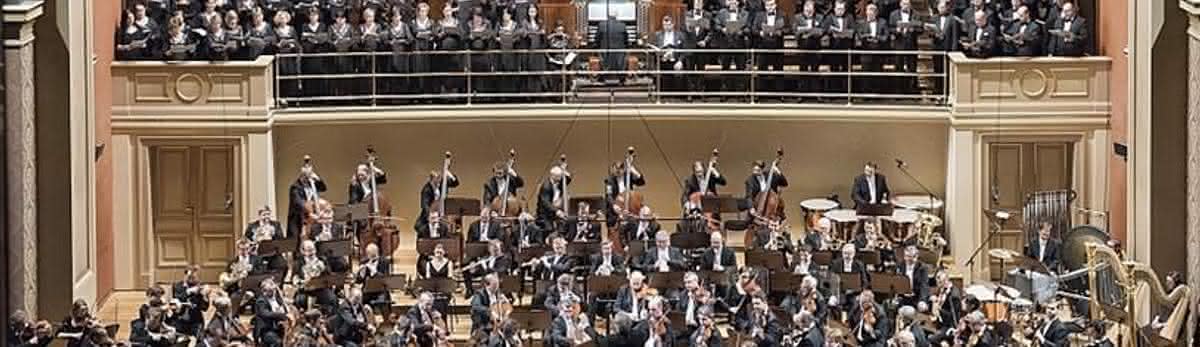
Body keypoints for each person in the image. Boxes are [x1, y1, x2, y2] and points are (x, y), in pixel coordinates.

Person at [714, 0, 749, 94]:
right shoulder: (722, 13)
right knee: (725, 69)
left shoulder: (745, 13)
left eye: (735, 1)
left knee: (741, 69)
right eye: (731, 1)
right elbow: (716, 25)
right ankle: (724, 92)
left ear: (738, 3)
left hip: (739, 44)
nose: (733, 3)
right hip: (726, 44)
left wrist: (742, 32)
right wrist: (722, 29)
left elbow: (748, 27)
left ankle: (741, 93)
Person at [854, 3, 889, 95]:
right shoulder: (861, 22)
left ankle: (877, 93)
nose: (871, 13)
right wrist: (866, 37)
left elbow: (886, 36)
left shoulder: (882, 22)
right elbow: (859, 35)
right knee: (865, 72)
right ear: (866, 12)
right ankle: (866, 93)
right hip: (866, 51)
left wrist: (877, 38)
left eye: (873, 11)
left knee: (877, 72)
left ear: (876, 13)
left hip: (878, 50)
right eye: (869, 11)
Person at [754, 0, 786, 95]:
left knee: (779, 71)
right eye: (768, 5)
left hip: (777, 47)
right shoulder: (759, 15)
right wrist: (759, 32)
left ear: (775, 5)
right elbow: (753, 28)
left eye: (772, 4)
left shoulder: (782, 15)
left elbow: (788, 28)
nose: (770, 7)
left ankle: (780, 94)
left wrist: (781, 32)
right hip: (763, 46)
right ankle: (760, 94)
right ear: (765, 6)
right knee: (761, 70)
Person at [287, 158, 326, 237]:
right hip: (298, 219)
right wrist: (310, 212)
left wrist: (317, 178)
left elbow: (323, 188)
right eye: (306, 178)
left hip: (311, 219)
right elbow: (298, 202)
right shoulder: (295, 187)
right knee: (297, 242)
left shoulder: (312, 184)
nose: (308, 180)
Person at [823, 1, 855, 94]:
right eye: (838, 9)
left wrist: (846, 33)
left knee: (846, 70)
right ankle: (834, 92)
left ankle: (846, 92)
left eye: (842, 9)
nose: (840, 11)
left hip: (846, 48)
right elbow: (824, 30)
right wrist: (831, 32)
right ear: (834, 9)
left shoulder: (849, 17)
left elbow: (853, 30)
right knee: (834, 69)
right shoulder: (829, 17)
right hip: (834, 47)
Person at [682, 0, 712, 97]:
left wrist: (705, 41)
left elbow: (711, 32)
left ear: (702, 4)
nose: (698, 4)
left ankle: (701, 92)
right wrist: (688, 26)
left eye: (700, 2)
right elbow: (683, 29)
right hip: (690, 46)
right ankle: (690, 93)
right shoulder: (687, 14)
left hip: (701, 47)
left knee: (701, 70)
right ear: (693, 4)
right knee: (689, 70)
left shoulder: (707, 15)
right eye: (696, 2)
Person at [171, 265, 210, 337]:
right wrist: (188, 291)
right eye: (190, 277)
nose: (192, 280)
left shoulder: (201, 288)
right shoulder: (177, 286)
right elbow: (177, 299)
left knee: (201, 339)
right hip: (180, 320)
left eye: (194, 278)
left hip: (195, 321)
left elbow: (205, 308)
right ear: (185, 276)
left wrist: (205, 297)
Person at [793, 0, 823, 94]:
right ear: (803, 9)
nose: (809, 12)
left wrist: (812, 32)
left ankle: (816, 94)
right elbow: (795, 31)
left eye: (810, 10)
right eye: (807, 10)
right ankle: (802, 94)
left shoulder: (819, 17)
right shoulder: (797, 17)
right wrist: (802, 31)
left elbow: (822, 31)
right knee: (803, 71)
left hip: (815, 48)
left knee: (815, 71)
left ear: (814, 10)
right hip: (802, 48)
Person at [929, 0, 960, 93]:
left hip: (947, 50)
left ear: (947, 8)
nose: (942, 9)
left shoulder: (952, 19)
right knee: (937, 71)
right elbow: (930, 34)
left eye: (943, 7)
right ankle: (937, 92)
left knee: (947, 72)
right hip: (937, 49)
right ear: (937, 8)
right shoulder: (934, 18)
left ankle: (947, 92)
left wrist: (953, 52)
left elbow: (955, 36)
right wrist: (933, 34)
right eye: (940, 7)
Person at [604, 160, 645, 227]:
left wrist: (634, 171)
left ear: (623, 170)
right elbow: (609, 195)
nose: (616, 173)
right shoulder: (609, 180)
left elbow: (641, 182)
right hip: (616, 209)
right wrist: (614, 204)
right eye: (615, 171)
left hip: (629, 207)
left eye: (618, 171)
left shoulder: (628, 177)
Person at [889, 0, 919, 92]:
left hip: (911, 44)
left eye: (908, 4)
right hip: (899, 44)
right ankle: (898, 90)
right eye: (904, 4)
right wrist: (896, 30)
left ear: (910, 5)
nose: (906, 6)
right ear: (900, 4)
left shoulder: (916, 14)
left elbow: (921, 29)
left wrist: (913, 29)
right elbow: (890, 28)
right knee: (898, 67)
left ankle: (912, 91)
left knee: (912, 68)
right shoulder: (893, 14)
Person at [418, 168, 459, 232]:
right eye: (437, 178)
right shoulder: (426, 189)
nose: (439, 181)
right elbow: (425, 206)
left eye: (439, 178)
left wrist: (449, 174)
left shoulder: (442, 183)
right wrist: (432, 216)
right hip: (430, 215)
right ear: (431, 179)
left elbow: (455, 183)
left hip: (443, 211)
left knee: (449, 226)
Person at [654, 15, 686, 95]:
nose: (666, 27)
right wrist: (661, 54)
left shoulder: (680, 35)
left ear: (672, 24)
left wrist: (680, 61)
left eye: (668, 25)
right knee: (659, 70)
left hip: (675, 59)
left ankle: (677, 95)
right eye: (664, 25)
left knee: (679, 70)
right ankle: (662, 94)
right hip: (662, 60)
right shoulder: (658, 34)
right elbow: (654, 48)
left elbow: (684, 50)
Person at [251, 278, 288, 347]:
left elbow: (284, 309)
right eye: (271, 291)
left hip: (276, 328)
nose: (273, 292)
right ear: (263, 291)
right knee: (277, 342)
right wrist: (281, 315)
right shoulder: (261, 301)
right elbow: (265, 314)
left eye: (273, 290)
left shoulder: (275, 299)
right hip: (265, 330)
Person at [536, 164, 572, 230]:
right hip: (545, 215)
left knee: (567, 225)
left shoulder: (559, 181)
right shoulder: (546, 186)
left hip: (555, 212)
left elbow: (568, 179)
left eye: (560, 176)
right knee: (549, 229)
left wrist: (564, 171)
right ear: (552, 176)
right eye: (558, 176)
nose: (560, 178)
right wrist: (557, 211)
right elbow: (546, 203)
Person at [596, 9, 628, 82]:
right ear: (616, 15)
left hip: (605, 53)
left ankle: (602, 76)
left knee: (600, 53)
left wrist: (598, 47)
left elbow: (597, 40)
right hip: (619, 54)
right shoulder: (622, 25)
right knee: (624, 54)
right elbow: (626, 41)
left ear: (607, 15)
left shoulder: (601, 25)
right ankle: (622, 77)